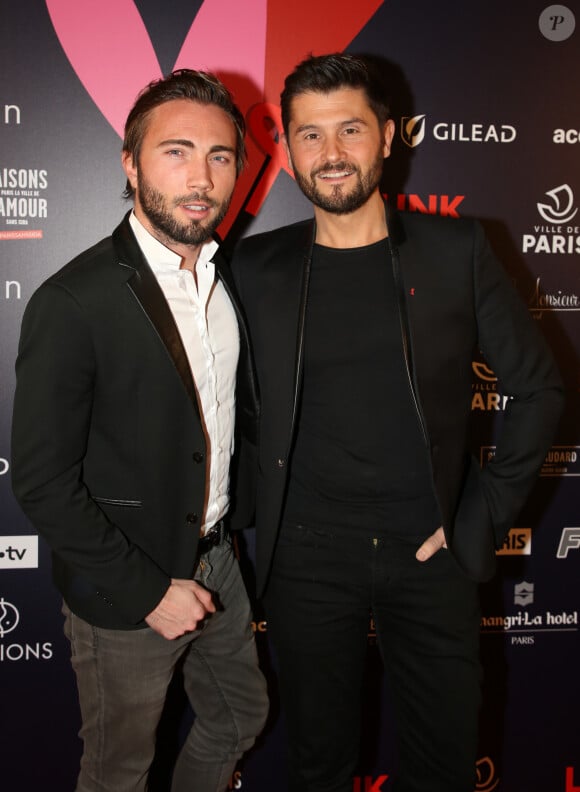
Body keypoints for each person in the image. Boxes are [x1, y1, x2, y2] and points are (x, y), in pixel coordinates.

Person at [232, 53, 563, 792]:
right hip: (307, 560)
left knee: (444, 765)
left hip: (431, 553)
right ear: (288, 151)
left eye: (350, 129)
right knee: (319, 765)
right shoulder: (254, 269)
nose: (331, 154)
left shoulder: (459, 251)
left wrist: (478, 517)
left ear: (388, 136)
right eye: (310, 135)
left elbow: (539, 389)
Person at [11, 69, 267, 792]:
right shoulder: (75, 299)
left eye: (220, 156)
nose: (201, 177)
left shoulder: (227, 281)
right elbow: (41, 479)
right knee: (120, 769)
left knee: (241, 717)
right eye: (176, 151)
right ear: (131, 162)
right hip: (126, 586)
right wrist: (150, 590)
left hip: (219, 563)